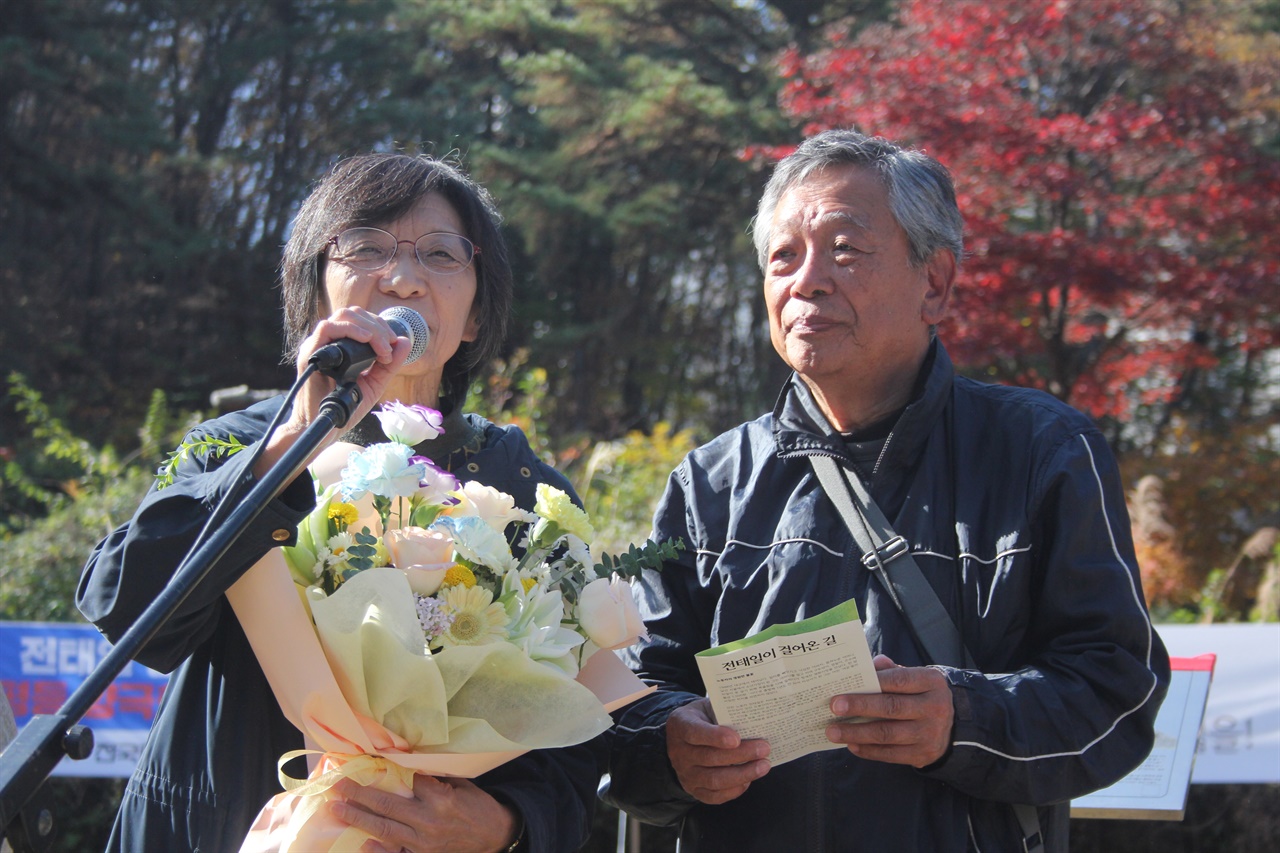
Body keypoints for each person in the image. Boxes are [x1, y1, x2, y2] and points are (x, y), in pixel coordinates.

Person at [601, 129, 1170, 852]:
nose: (807, 281)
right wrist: (671, 747)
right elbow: (631, 696)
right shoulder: (709, 482)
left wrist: (964, 717)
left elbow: (1118, 690)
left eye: (845, 250)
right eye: (783, 257)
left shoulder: (1043, 452)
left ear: (934, 282)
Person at [77, 153, 597, 853]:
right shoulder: (234, 444)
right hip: (213, 832)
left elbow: (580, 734)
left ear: (475, 316)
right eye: (365, 247)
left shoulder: (524, 486)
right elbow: (127, 604)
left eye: (441, 254)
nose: (403, 277)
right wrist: (291, 442)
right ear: (316, 293)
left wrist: (506, 823)